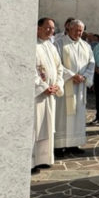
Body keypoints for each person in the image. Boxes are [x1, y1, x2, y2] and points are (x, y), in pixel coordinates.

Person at [54, 19, 95, 156]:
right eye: (76, 30)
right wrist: (72, 75)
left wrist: (84, 77)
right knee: (62, 116)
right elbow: (57, 64)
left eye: (81, 31)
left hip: (80, 87)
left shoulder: (86, 46)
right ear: (69, 29)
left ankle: (73, 144)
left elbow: (91, 63)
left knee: (77, 116)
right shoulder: (59, 44)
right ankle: (59, 146)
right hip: (66, 87)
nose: (79, 33)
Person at [33, 17, 64, 172]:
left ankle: (44, 158)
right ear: (38, 28)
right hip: (38, 96)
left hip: (50, 94)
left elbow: (59, 68)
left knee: (48, 126)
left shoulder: (51, 46)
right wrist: (43, 87)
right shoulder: (32, 45)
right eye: (47, 27)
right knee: (36, 126)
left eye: (52, 28)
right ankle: (32, 161)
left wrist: (57, 85)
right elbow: (30, 70)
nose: (51, 31)